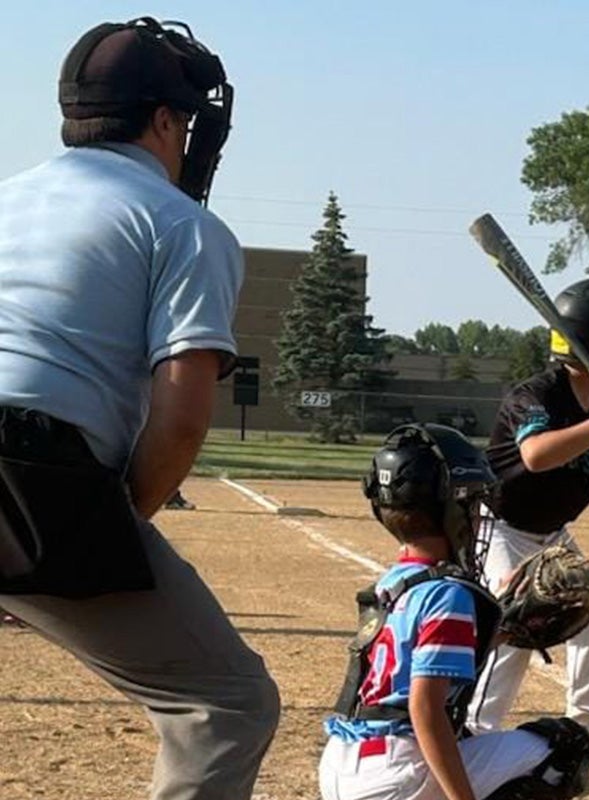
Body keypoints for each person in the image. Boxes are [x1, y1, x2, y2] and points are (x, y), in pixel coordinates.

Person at [0, 18, 279, 800]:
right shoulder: (183, 226)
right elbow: (182, 419)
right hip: (31, 475)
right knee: (228, 704)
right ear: (163, 121)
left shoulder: (8, 199)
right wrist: (110, 532)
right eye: (183, 123)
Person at [319, 423, 589, 800]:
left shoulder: (392, 585)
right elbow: (426, 710)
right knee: (565, 750)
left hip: (342, 767)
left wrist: (503, 625)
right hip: (395, 775)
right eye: (473, 506)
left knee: (467, 738)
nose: (479, 518)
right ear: (451, 509)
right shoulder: (449, 596)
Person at [465, 278, 589, 776]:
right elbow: (535, 455)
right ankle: (472, 737)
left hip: (551, 535)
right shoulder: (536, 394)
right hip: (502, 530)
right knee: (514, 631)